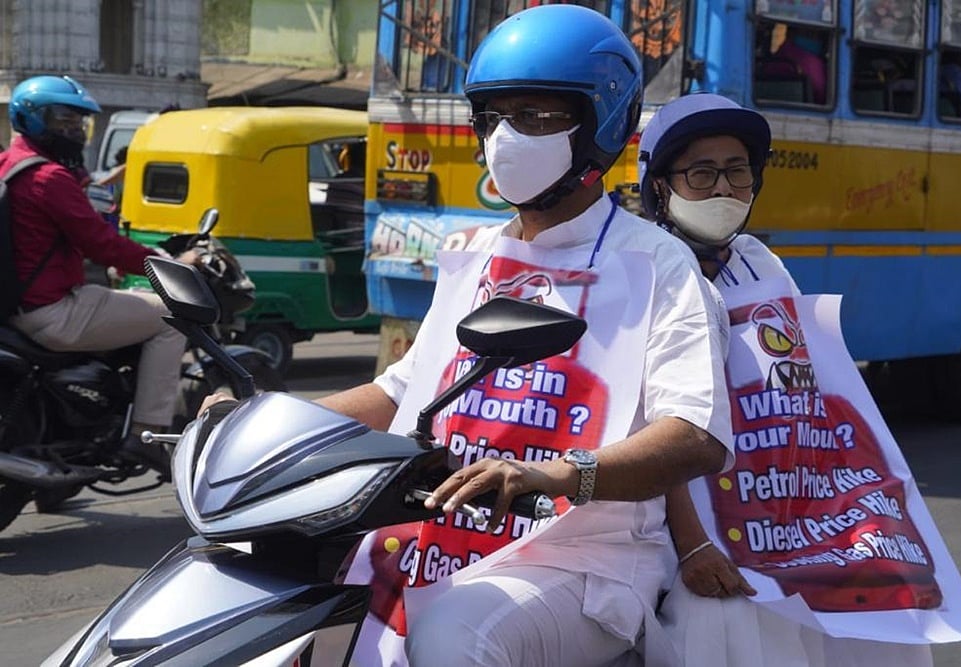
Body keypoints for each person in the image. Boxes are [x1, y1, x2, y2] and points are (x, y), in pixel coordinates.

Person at [204, 6, 731, 665]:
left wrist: (556, 473)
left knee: (456, 634)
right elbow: (401, 392)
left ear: (604, 126)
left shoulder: (654, 263)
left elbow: (695, 435)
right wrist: (258, 423)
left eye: (537, 116)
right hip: (434, 527)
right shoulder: (476, 253)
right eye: (493, 117)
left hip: (584, 555)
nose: (508, 136)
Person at [638, 92, 935, 666]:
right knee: (724, 618)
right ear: (659, 187)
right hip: (687, 528)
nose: (724, 189)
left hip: (785, 517)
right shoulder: (645, 271)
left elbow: (808, 395)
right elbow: (648, 426)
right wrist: (695, 542)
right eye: (702, 173)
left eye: (737, 172)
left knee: (886, 594)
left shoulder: (759, 262)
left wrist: (866, 507)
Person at [0, 75, 198, 473]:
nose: (74, 130)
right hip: (52, 309)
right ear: (32, 119)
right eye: (63, 121)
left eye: (79, 122)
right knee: (172, 319)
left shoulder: (12, 164)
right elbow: (101, 244)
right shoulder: (49, 178)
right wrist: (165, 261)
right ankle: (146, 434)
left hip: (18, 307)